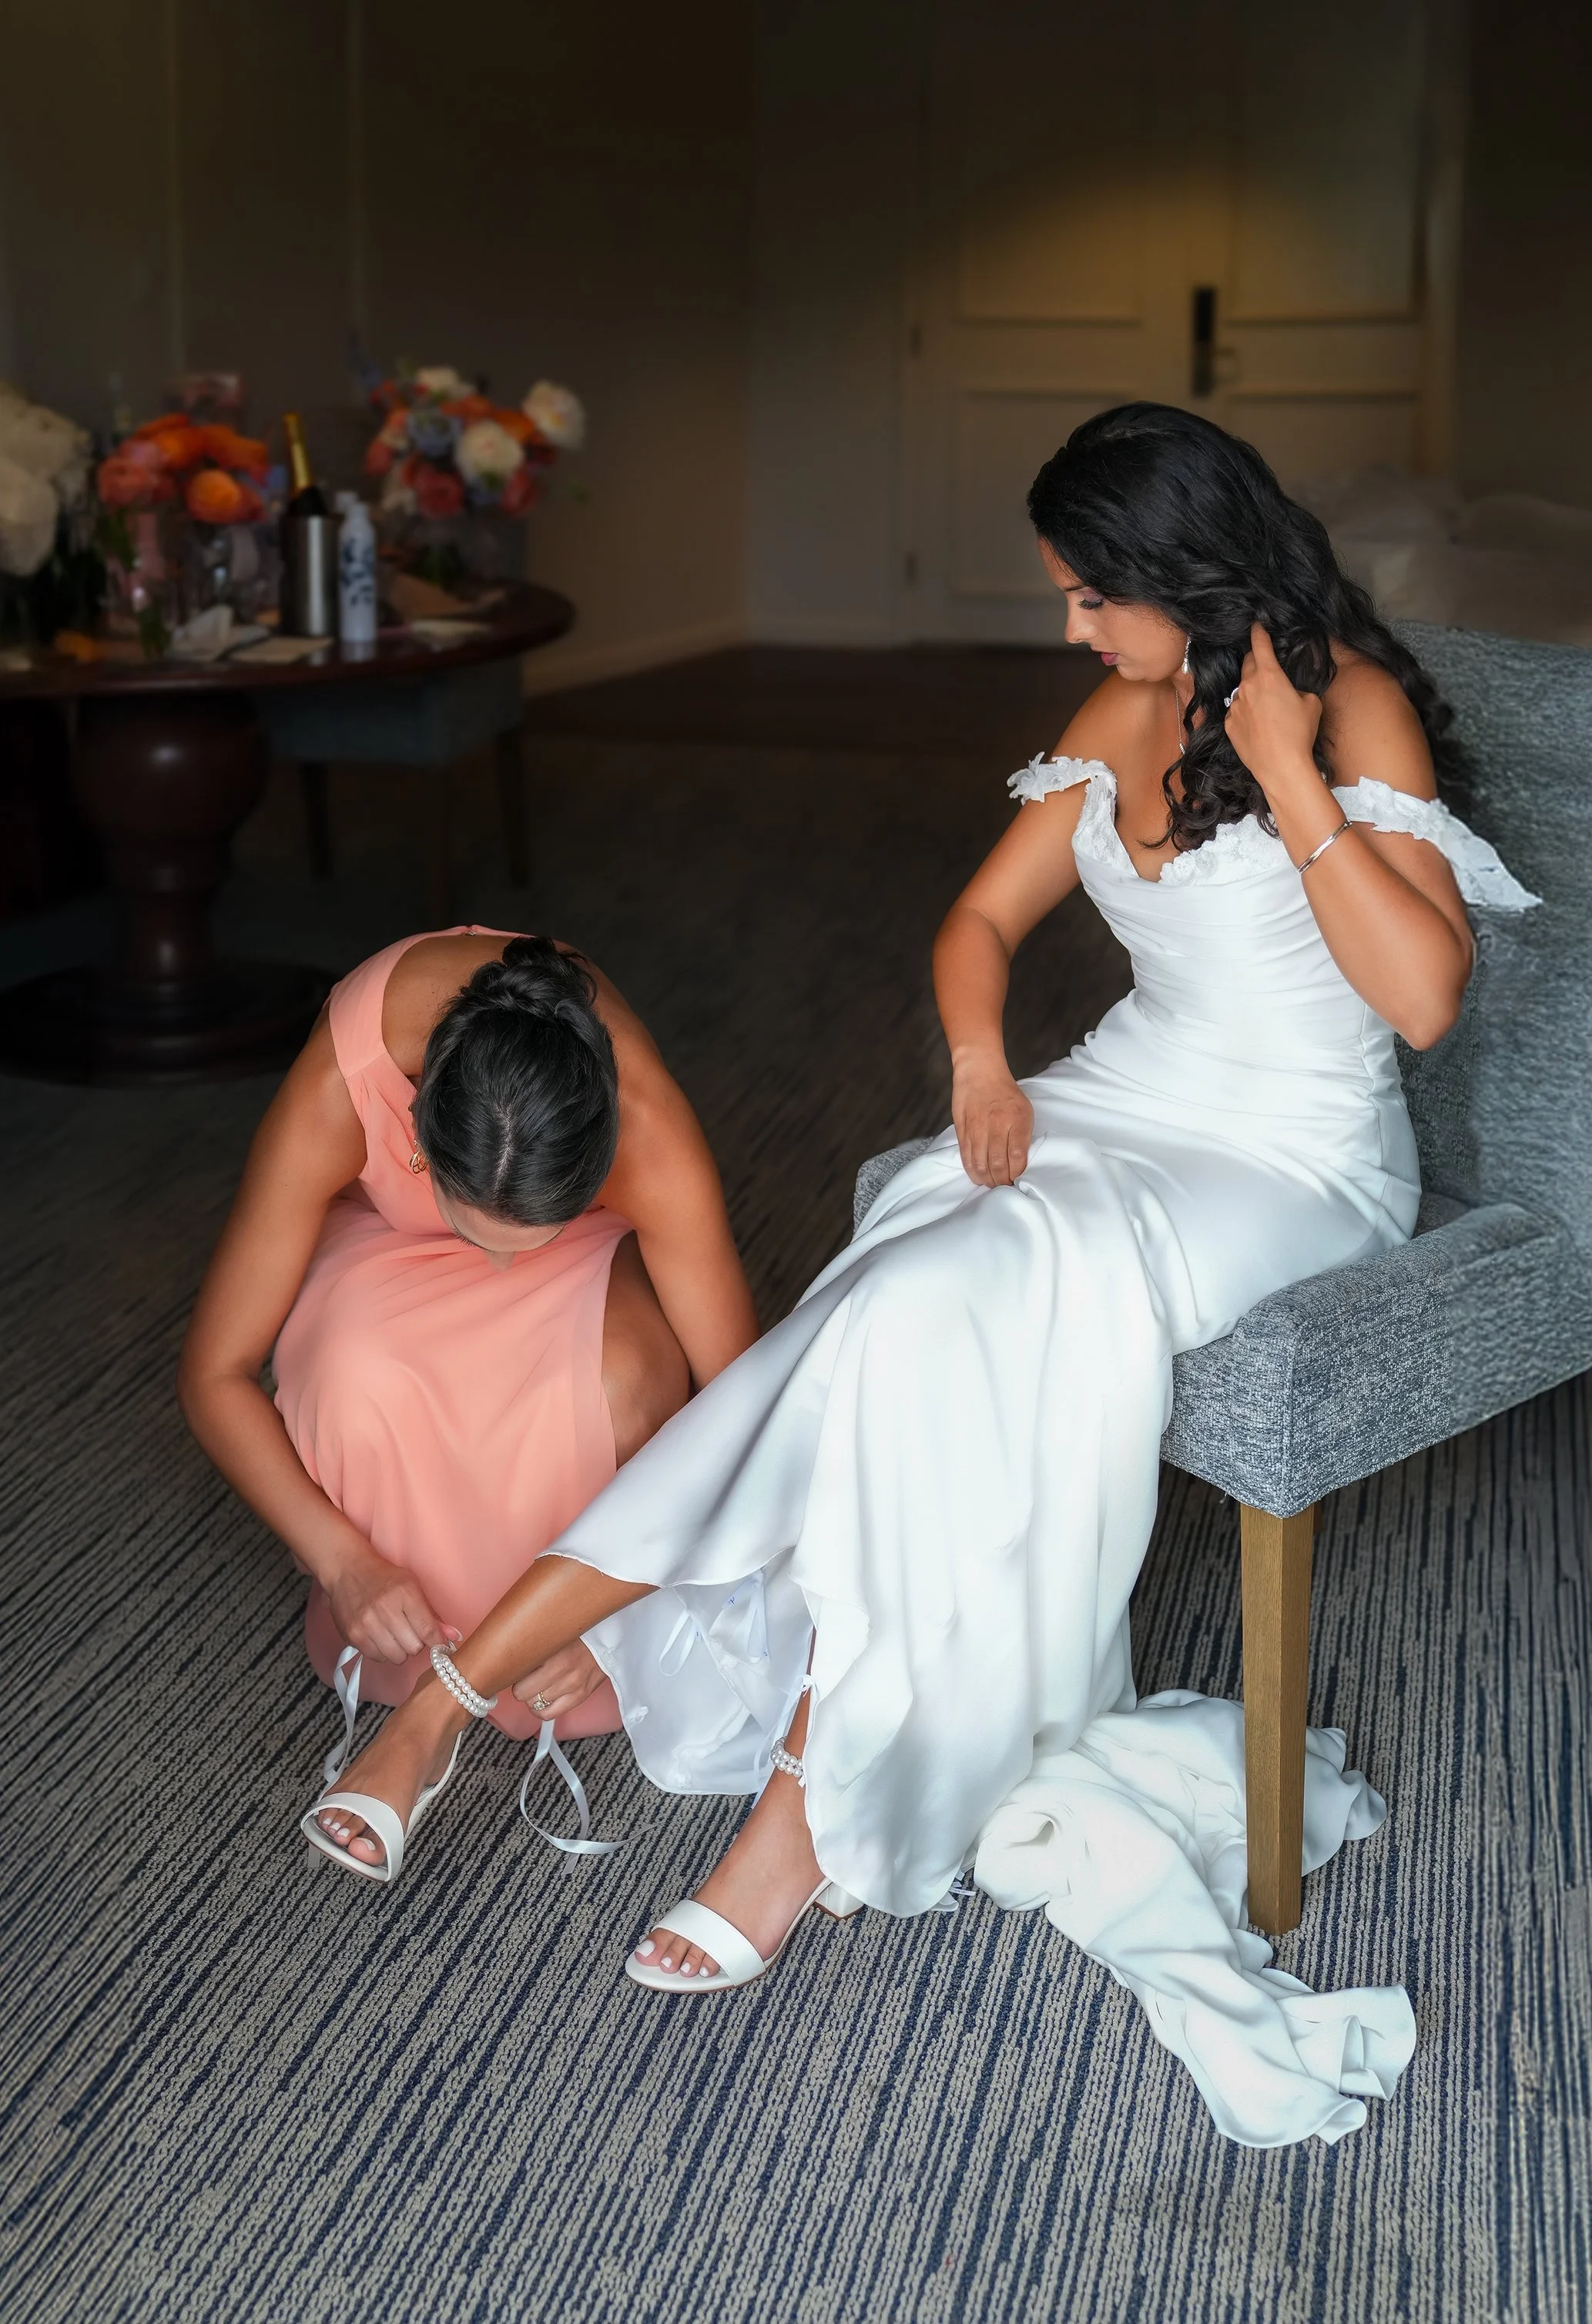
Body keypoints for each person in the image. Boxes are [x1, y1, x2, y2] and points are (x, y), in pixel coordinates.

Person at [300, 410, 1537, 2144]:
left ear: (1177, 574)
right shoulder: (1114, 712)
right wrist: (978, 1060)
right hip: (1121, 1102)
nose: (1066, 631)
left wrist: (1296, 784)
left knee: (970, 1286)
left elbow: (1418, 1002)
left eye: (1084, 594)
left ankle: (697, 1779)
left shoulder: (1348, 709)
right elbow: (974, 925)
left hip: (1292, 1162)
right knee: (887, 1311)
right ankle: (494, 1719)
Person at [180, 928, 756, 1866]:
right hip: (385, 1251)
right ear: (416, 1142)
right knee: (354, 1370)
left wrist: (627, 1618)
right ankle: (401, 1632)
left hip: (582, 1277)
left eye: (521, 1237)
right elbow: (213, 1372)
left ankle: (535, 1646)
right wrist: (340, 1559)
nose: (496, 1263)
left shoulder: (645, 1124)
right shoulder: (345, 1079)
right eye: (480, 1229)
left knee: (615, 1387)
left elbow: (745, 1408)